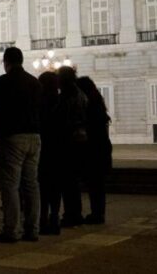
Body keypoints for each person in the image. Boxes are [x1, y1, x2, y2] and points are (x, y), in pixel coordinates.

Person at [0, 47, 43, 243]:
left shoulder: (2, 82)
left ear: (6, 62)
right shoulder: (35, 83)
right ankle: (33, 229)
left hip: (12, 138)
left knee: (10, 186)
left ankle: (11, 230)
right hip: (34, 138)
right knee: (31, 185)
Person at [76, 76, 112, 225]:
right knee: (98, 185)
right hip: (102, 149)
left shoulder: (90, 107)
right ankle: (98, 213)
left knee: (94, 185)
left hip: (93, 151)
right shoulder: (98, 104)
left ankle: (97, 215)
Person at [58, 66, 88, 228]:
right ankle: (74, 213)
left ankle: (71, 214)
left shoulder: (68, 96)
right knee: (73, 181)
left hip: (69, 141)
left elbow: (62, 118)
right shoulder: (80, 94)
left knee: (68, 181)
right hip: (80, 139)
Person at [38, 71, 63, 235]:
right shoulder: (62, 101)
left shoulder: (40, 103)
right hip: (60, 149)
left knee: (43, 187)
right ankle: (55, 218)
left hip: (44, 148)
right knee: (56, 187)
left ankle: (42, 219)